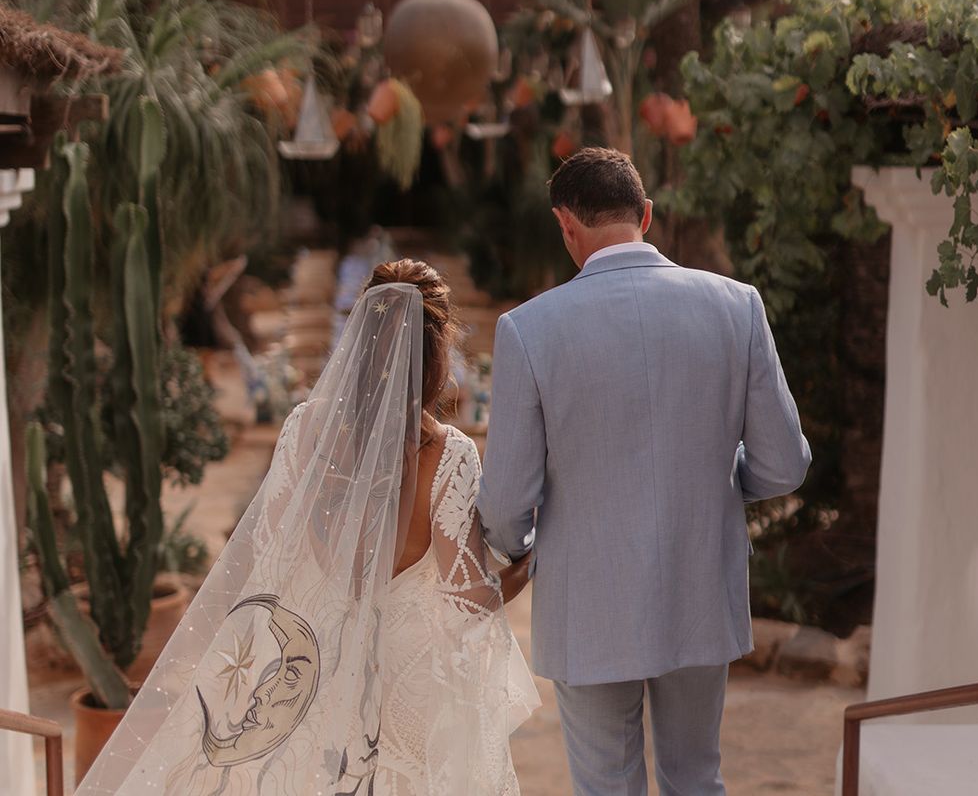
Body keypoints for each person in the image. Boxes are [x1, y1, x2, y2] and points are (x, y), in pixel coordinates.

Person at [77, 260, 538, 796]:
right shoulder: (449, 454)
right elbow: (469, 599)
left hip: (321, 669)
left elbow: (274, 549)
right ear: (438, 354)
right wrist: (527, 565)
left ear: (359, 339)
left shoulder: (304, 431)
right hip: (410, 683)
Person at [478, 147, 811, 796]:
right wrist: (711, 482)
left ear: (565, 225)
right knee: (696, 778)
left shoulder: (527, 329)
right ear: (648, 216)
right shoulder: (736, 305)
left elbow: (507, 499)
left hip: (587, 599)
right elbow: (783, 464)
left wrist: (519, 547)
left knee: (606, 786)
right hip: (699, 581)